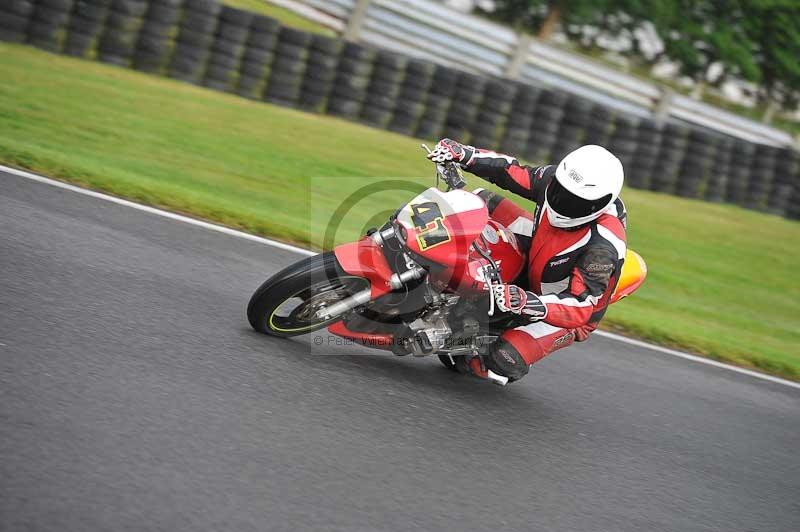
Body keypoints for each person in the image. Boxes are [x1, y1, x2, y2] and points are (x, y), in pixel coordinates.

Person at [427, 139, 628, 383]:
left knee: (503, 358)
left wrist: (529, 302)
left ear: (600, 205)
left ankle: (477, 341)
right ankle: (417, 245)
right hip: (539, 247)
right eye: (560, 191)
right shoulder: (556, 180)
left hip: (559, 307)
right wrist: (466, 155)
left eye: (576, 202)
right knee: (477, 200)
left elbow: (581, 308)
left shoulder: (603, 247)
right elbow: (511, 171)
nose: (562, 201)